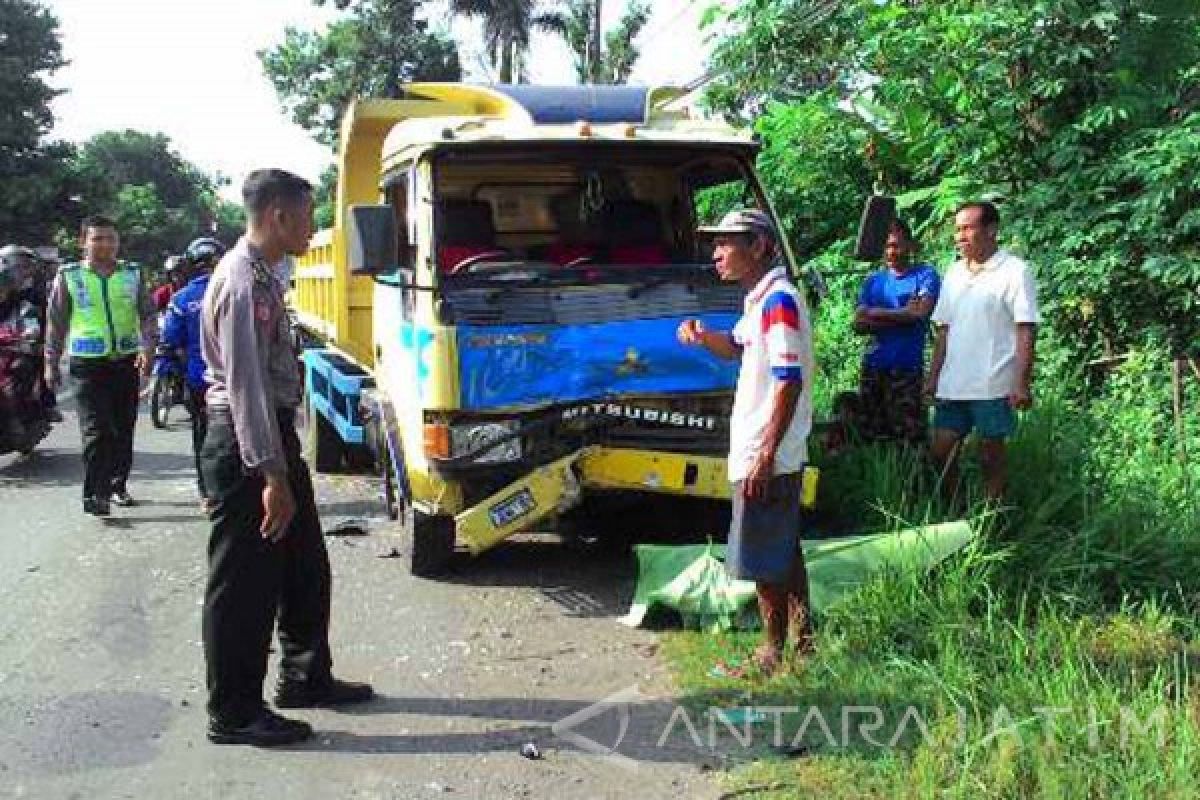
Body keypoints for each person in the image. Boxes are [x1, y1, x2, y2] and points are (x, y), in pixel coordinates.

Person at [200, 169, 372, 747]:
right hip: (248, 442)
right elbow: (245, 385)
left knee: (305, 567)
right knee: (245, 584)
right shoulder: (243, 283)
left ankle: (305, 676)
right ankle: (233, 711)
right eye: (306, 216)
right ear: (277, 217)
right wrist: (272, 475)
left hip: (271, 435)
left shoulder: (267, 273)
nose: (313, 227)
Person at [678, 208, 815, 675]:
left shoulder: (778, 301)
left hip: (768, 452)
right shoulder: (760, 301)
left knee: (763, 558)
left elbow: (788, 380)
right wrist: (703, 339)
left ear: (757, 247)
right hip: (769, 450)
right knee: (783, 549)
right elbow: (739, 347)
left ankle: (772, 653)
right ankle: (804, 644)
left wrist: (765, 452)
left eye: (726, 243)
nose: (716, 253)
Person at [926, 201, 1039, 501]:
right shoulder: (953, 273)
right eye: (957, 229)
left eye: (967, 228)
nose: (959, 236)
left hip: (993, 382)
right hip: (954, 382)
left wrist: (1021, 381)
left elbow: (1026, 327)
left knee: (990, 458)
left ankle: (992, 523)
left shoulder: (1015, 271)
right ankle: (957, 513)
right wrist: (932, 378)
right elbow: (944, 329)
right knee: (940, 450)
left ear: (991, 230)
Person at [43, 216, 157, 516]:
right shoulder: (68, 276)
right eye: (98, 238)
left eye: (111, 238)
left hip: (125, 362)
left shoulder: (132, 274)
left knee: (123, 428)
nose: (105, 244)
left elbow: (147, 314)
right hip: (87, 365)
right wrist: (51, 363)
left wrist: (148, 348)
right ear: (83, 242)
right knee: (96, 430)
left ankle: (118, 484)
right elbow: (55, 324)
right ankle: (96, 493)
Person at [851, 219, 941, 444]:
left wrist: (874, 313)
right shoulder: (874, 282)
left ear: (910, 245)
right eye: (886, 246)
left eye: (896, 245)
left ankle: (915, 479)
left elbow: (920, 314)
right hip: (874, 365)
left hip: (906, 367)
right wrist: (901, 315)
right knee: (872, 431)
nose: (890, 252)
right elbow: (859, 324)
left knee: (909, 434)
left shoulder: (925, 275)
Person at [162, 236, 224, 508]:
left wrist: (171, 371)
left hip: (199, 382)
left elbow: (170, 342)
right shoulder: (239, 290)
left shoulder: (182, 299)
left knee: (203, 437)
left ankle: (208, 495)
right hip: (238, 382)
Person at [0, 254, 42, 443]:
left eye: (3, 286)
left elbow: (31, 325)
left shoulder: (23, 306)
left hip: (14, 352)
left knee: (19, 370)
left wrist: (27, 334)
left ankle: (15, 419)